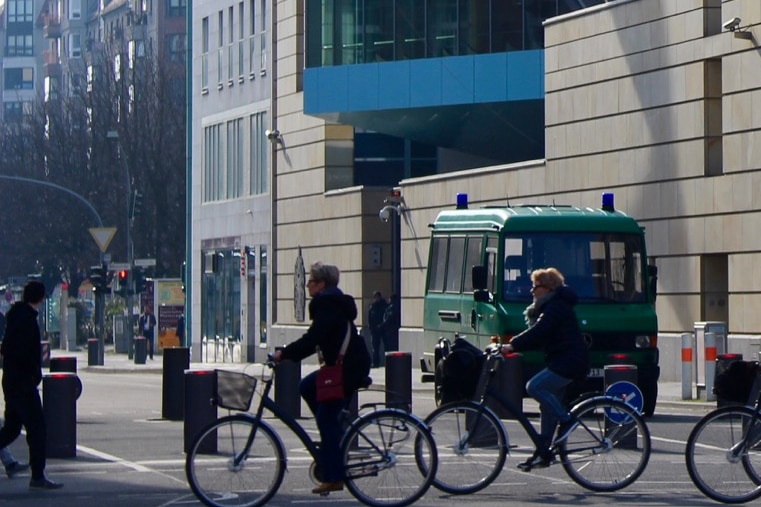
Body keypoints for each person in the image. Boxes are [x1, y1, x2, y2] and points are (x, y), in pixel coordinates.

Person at [274, 262, 371, 495]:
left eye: (311, 281)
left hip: (347, 369)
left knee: (327, 420)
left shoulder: (326, 305)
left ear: (322, 284)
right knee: (307, 387)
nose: (307, 285)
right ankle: (333, 436)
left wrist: (284, 354)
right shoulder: (332, 302)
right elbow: (317, 339)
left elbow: (313, 339)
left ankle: (335, 476)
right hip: (345, 366)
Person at [500, 267, 589, 471]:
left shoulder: (556, 307)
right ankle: (544, 452)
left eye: (535, 286)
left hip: (570, 362)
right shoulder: (551, 306)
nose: (532, 291)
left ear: (548, 288)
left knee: (534, 387)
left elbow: (539, 332)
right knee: (547, 408)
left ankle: (566, 420)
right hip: (563, 360)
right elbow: (537, 333)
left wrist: (511, 345)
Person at [0, 280, 62, 489]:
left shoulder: (15, 317)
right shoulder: (27, 321)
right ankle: (38, 476)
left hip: (11, 381)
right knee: (37, 429)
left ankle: (37, 475)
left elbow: (8, 350)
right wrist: (34, 374)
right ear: (40, 298)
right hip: (23, 384)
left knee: (12, 428)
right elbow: (26, 354)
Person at [368, 291, 388, 368]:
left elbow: (386, 317)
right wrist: (371, 327)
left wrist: (382, 325)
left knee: (387, 346)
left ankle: (388, 362)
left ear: (380, 297)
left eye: (377, 297)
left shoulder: (384, 305)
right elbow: (369, 317)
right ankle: (375, 362)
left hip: (383, 329)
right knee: (375, 347)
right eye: (375, 297)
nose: (376, 298)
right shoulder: (372, 306)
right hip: (374, 330)